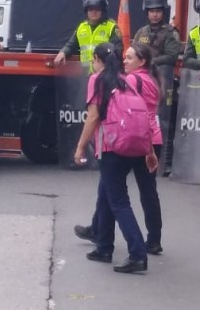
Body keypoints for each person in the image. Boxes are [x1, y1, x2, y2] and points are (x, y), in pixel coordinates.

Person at [74, 42, 157, 274]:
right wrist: (149, 151)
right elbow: (143, 118)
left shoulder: (98, 80)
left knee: (119, 202)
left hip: (110, 148)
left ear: (98, 60)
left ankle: (138, 254)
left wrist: (80, 148)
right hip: (133, 148)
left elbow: (93, 117)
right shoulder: (126, 81)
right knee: (105, 196)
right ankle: (104, 247)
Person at [54, 0, 122, 71]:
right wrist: (63, 52)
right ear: (86, 11)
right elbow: (71, 46)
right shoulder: (82, 27)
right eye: (90, 9)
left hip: (104, 74)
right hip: (85, 75)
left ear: (103, 11)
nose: (94, 12)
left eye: (97, 9)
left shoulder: (111, 27)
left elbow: (117, 51)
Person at [133, 0, 180, 67]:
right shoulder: (141, 32)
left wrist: (151, 61)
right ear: (147, 13)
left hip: (160, 71)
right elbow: (133, 50)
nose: (155, 15)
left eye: (158, 11)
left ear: (163, 12)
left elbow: (171, 57)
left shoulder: (170, 32)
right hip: (141, 69)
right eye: (151, 11)